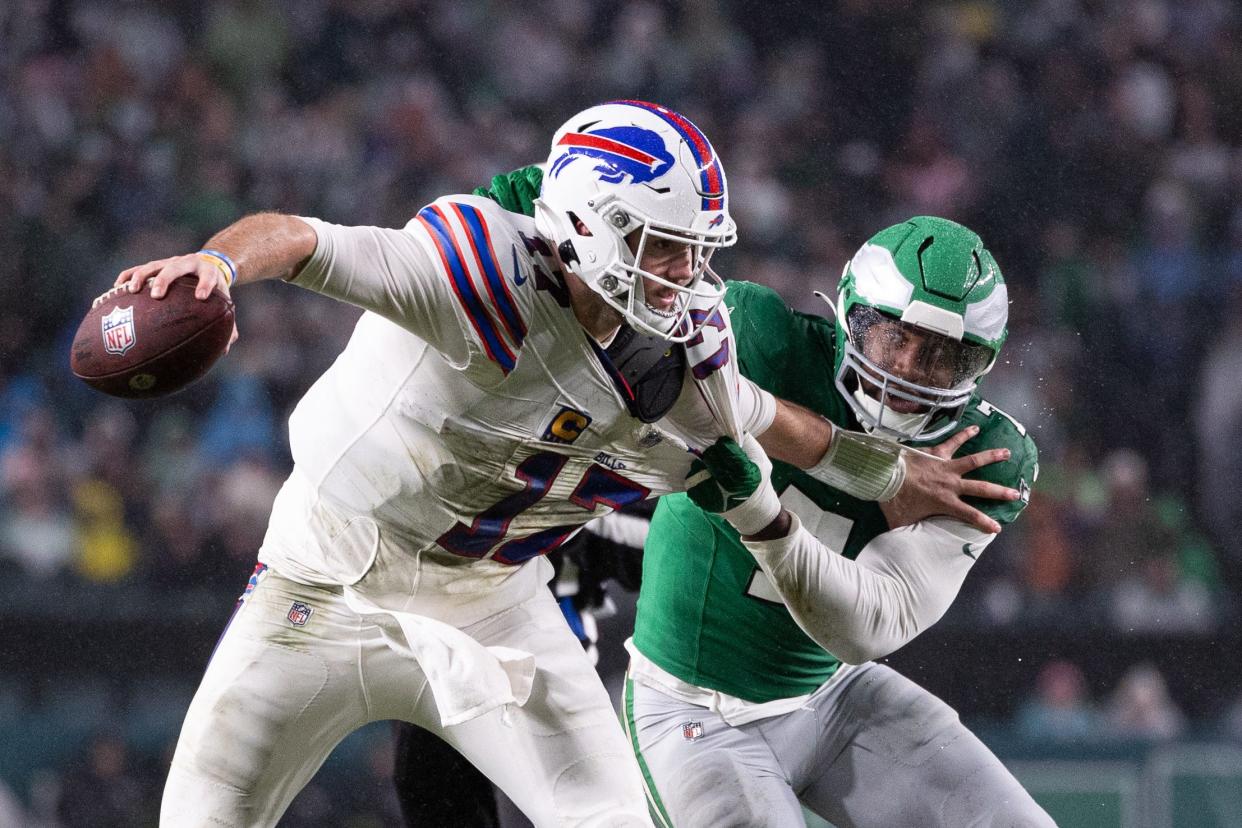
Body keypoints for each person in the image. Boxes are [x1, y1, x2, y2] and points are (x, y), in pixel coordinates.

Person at [114, 101, 1014, 827]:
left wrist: (889, 475)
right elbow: (308, 240)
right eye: (665, 246)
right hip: (324, 576)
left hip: (492, 599)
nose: (687, 273)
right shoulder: (472, 270)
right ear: (588, 224)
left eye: (698, 249)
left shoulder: (684, 349)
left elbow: (762, 417)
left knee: (610, 815)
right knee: (203, 812)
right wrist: (217, 265)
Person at [625, 216, 1053, 827]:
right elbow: (680, 397)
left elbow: (867, 627)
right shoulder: (759, 335)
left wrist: (762, 516)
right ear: (850, 316)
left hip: (834, 694)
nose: (905, 371)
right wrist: (878, 471)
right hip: (693, 707)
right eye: (891, 338)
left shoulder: (982, 456)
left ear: (976, 367)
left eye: (938, 357)